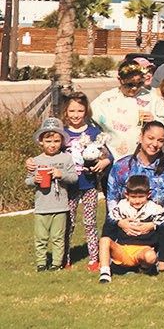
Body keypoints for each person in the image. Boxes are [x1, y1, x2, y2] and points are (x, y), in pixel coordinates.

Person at [105, 121, 164, 271]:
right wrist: (121, 222)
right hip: (126, 224)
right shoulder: (122, 166)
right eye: (150, 138)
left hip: (155, 227)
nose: (155, 144)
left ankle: (157, 259)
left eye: (160, 140)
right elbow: (112, 198)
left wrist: (154, 224)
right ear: (141, 137)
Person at [60, 93, 108, 271]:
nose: (76, 115)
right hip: (68, 186)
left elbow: (106, 154)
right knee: (68, 222)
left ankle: (94, 258)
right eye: (72, 110)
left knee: (89, 222)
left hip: (89, 185)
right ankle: (65, 257)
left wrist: (103, 162)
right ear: (66, 111)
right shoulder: (62, 133)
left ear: (86, 111)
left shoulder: (93, 132)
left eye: (80, 110)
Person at [93, 58, 164, 160]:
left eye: (139, 84)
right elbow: (89, 123)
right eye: (130, 84)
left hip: (143, 158)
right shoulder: (106, 99)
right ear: (120, 79)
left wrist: (155, 121)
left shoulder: (151, 98)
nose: (134, 88)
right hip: (112, 158)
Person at [28, 117, 78, 271]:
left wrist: (60, 174)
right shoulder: (35, 160)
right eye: (48, 141)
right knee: (41, 238)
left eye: (56, 141)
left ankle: (57, 263)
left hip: (60, 206)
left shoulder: (66, 158)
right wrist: (34, 180)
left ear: (62, 142)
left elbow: (74, 177)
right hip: (42, 206)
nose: (52, 145)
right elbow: (27, 181)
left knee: (58, 237)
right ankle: (41, 263)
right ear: (41, 141)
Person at [96, 174, 164, 282]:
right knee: (104, 240)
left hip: (143, 250)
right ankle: (105, 272)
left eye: (141, 197)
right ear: (126, 195)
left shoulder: (155, 210)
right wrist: (119, 222)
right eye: (133, 197)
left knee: (150, 256)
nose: (137, 201)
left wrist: (162, 259)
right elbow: (108, 228)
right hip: (123, 249)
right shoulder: (121, 208)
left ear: (148, 194)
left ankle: (144, 268)